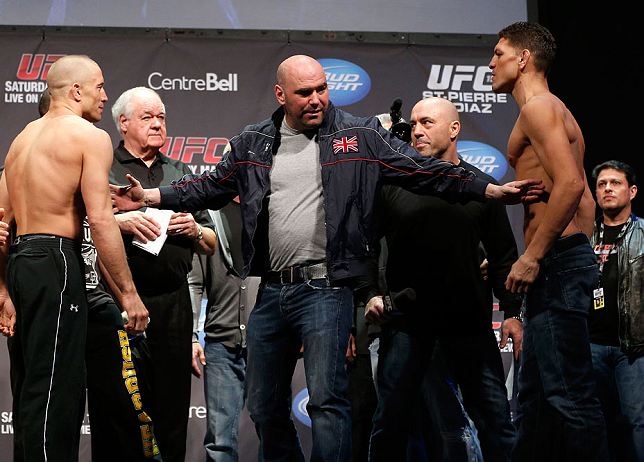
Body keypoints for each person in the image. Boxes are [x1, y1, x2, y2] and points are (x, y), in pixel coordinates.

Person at [110, 54, 542, 462]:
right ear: (282, 96)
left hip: (326, 289)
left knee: (328, 403)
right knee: (261, 405)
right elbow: (205, 187)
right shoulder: (255, 141)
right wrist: (147, 196)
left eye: (322, 89)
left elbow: (425, 170)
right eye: (304, 93)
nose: (316, 99)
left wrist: (489, 190)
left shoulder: (358, 136)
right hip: (273, 289)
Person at [0, 55, 149, 462]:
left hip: (22, 262)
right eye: (99, 86)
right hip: (57, 261)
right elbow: (100, 219)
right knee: (57, 389)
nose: (105, 96)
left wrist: (3, 289)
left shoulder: (21, 138)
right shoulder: (87, 136)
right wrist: (128, 294)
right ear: (76, 90)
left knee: (30, 385)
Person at [365, 97, 521, 462]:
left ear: (454, 130)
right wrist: (370, 293)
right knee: (389, 423)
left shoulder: (483, 187)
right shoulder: (390, 186)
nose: (417, 130)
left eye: (427, 123)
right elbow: (367, 248)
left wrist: (512, 313)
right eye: (414, 123)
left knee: (496, 422)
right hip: (407, 327)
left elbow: (502, 257)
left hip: (468, 324)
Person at [489, 22, 608, 461]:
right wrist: (576, 254)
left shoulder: (539, 107)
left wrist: (536, 256)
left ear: (523, 58)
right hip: (562, 261)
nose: (490, 62)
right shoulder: (551, 110)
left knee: (571, 398)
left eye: (499, 53)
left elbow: (575, 184)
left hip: (553, 263)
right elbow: (588, 204)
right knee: (536, 402)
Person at [109, 86, 217, 462]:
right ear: (123, 123)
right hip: (120, 302)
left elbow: (211, 242)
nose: (157, 125)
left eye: (162, 117)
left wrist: (195, 229)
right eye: (147, 117)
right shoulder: (105, 166)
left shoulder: (179, 171)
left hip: (174, 304)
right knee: (121, 410)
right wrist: (120, 221)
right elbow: (85, 227)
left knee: (171, 409)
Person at [188, 196, 261, 461]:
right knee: (219, 443)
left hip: (267, 341)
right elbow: (194, 283)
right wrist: (192, 336)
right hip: (220, 341)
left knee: (274, 431)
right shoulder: (208, 216)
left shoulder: (270, 207)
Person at [590, 160, 644, 462]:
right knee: (596, 424)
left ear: (632, 191)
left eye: (615, 183)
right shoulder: (583, 235)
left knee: (637, 423)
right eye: (601, 184)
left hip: (633, 349)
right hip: (590, 345)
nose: (607, 188)